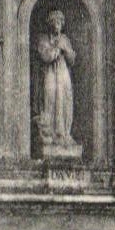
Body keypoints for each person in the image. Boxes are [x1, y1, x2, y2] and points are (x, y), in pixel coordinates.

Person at [36, 9, 76, 145]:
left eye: (59, 22)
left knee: (65, 100)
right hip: (50, 74)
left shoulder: (65, 39)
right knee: (50, 99)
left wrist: (66, 50)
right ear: (50, 24)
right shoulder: (44, 39)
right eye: (54, 22)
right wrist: (57, 49)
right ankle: (50, 134)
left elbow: (72, 60)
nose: (57, 25)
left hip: (63, 74)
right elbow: (45, 56)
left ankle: (64, 133)